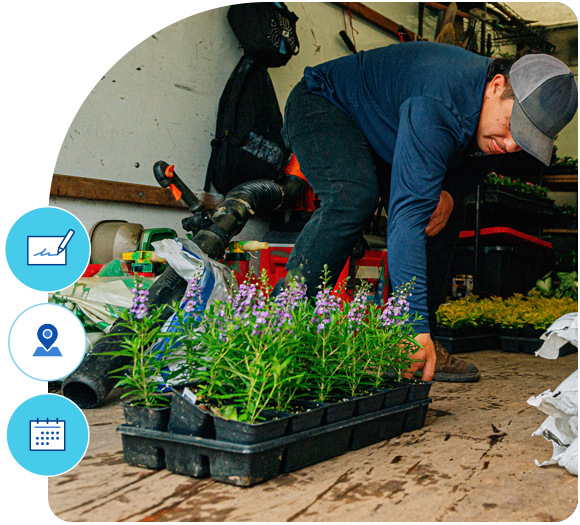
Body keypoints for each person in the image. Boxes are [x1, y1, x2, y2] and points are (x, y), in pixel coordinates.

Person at [281, 41, 578, 382]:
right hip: (325, 104)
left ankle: (413, 342)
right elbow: (408, 216)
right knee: (352, 198)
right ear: (496, 87)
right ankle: (282, 327)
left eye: (525, 139)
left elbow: (483, 162)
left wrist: (451, 193)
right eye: (513, 126)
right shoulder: (438, 103)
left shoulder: (492, 118)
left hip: (385, 131)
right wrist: (413, 322)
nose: (512, 144)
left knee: (445, 212)